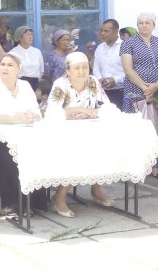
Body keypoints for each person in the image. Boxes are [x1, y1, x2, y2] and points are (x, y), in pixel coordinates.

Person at [45, 51, 114, 218]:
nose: (82, 72)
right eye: (76, 68)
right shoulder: (61, 84)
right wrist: (80, 109)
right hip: (64, 134)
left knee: (105, 144)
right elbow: (52, 111)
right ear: (67, 71)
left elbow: (107, 107)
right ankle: (59, 197)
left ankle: (96, 189)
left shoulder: (93, 82)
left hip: (90, 130)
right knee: (77, 152)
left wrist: (92, 113)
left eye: (85, 67)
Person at [0, 53, 43, 218]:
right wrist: (13, 119)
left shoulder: (25, 86)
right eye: (3, 64)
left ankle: (29, 203)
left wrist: (32, 116)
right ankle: (8, 205)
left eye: (10, 65)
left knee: (37, 152)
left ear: (18, 70)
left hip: (24, 138)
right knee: (9, 158)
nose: (5, 68)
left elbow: (37, 113)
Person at [120, 12, 158, 180]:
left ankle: (156, 165)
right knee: (137, 128)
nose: (143, 25)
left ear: (153, 25)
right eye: (140, 22)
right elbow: (128, 69)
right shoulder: (128, 44)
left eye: (147, 22)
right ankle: (137, 165)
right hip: (135, 92)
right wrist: (145, 88)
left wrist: (156, 85)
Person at [93, 19, 125, 108]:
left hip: (122, 92)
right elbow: (96, 67)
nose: (103, 34)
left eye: (106, 31)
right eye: (101, 31)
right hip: (102, 92)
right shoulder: (99, 48)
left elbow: (131, 70)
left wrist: (116, 80)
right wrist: (99, 79)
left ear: (116, 31)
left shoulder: (125, 46)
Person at [10, 26, 43, 91]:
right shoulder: (13, 53)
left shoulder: (37, 52)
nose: (30, 37)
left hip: (35, 84)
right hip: (19, 85)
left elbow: (41, 70)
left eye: (31, 35)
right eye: (27, 34)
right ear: (20, 37)